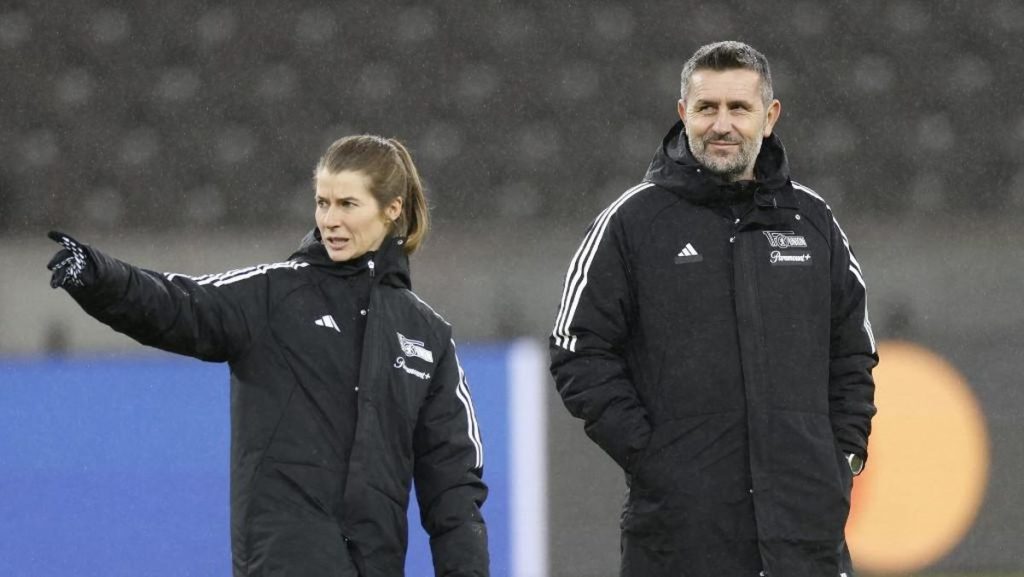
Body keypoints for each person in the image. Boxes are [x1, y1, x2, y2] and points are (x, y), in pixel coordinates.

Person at [46, 135, 489, 577]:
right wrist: (97, 276)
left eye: (347, 204)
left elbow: (453, 487)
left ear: (391, 208)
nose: (329, 220)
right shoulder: (274, 295)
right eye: (322, 203)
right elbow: (179, 305)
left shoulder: (428, 335)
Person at [549, 41, 877, 576]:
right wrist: (653, 457)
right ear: (683, 113)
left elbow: (853, 352)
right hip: (680, 540)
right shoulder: (631, 223)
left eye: (739, 108)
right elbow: (576, 350)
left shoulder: (813, 221)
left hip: (805, 536)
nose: (721, 124)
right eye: (707, 108)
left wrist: (841, 457)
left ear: (769, 117)